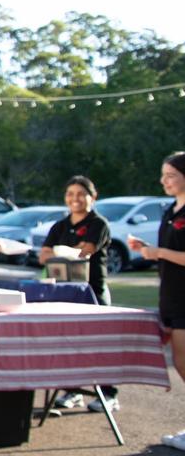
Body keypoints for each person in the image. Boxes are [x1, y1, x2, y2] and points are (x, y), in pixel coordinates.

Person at [37, 175, 117, 412]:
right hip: (64, 292)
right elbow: (43, 256)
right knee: (69, 341)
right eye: (70, 194)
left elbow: (86, 252)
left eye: (81, 194)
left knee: (99, 342)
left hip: (94, 290)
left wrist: (61, 252)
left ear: (93, 197)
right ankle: (72, 391)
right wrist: (67, 251)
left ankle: (109, 394)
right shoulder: (59, 226)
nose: (75, 199)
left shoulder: (98, 224)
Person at [129, 152, 185, 450]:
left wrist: (159, 253)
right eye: (163, 175)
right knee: (180, 363)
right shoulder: (170, 210)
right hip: (171, 296)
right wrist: (149, 250)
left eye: (171, 175)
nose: (164, 181)